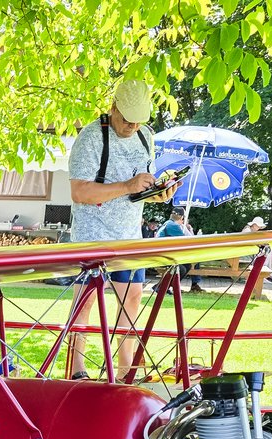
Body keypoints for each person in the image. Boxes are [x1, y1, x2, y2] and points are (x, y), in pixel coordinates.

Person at [67, 80, 174, 379]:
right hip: (92, 238)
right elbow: (80, 192)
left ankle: (127, 369)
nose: (132, 126)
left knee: (132, 301)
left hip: (129, 236)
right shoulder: (91, 138)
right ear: (113, 108)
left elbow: (136, 188)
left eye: (139, 121)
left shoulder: (146, 136)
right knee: (86, 303)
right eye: (127, 120)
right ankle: (78, 370)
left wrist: (158, 191)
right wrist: (127, 185)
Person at [156, 208, 204, 293]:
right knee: (181, 269)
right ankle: (163, 287)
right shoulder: (173, 226)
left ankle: (163, 287)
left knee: (187, 265)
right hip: (162, 256)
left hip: (163, 254)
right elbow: (186, 242)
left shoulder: (169, 223)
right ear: (181, 217)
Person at [241, 216, 272, 281]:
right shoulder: (247, 230)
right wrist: (260, 243)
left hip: (251, 251)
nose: (259, 228)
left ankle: (266, 273)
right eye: (258, 226)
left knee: (269, 253)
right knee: (265, 254)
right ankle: (262, 273)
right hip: (245, 252)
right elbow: (249, 241)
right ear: (254, 225)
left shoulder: (252, 231)